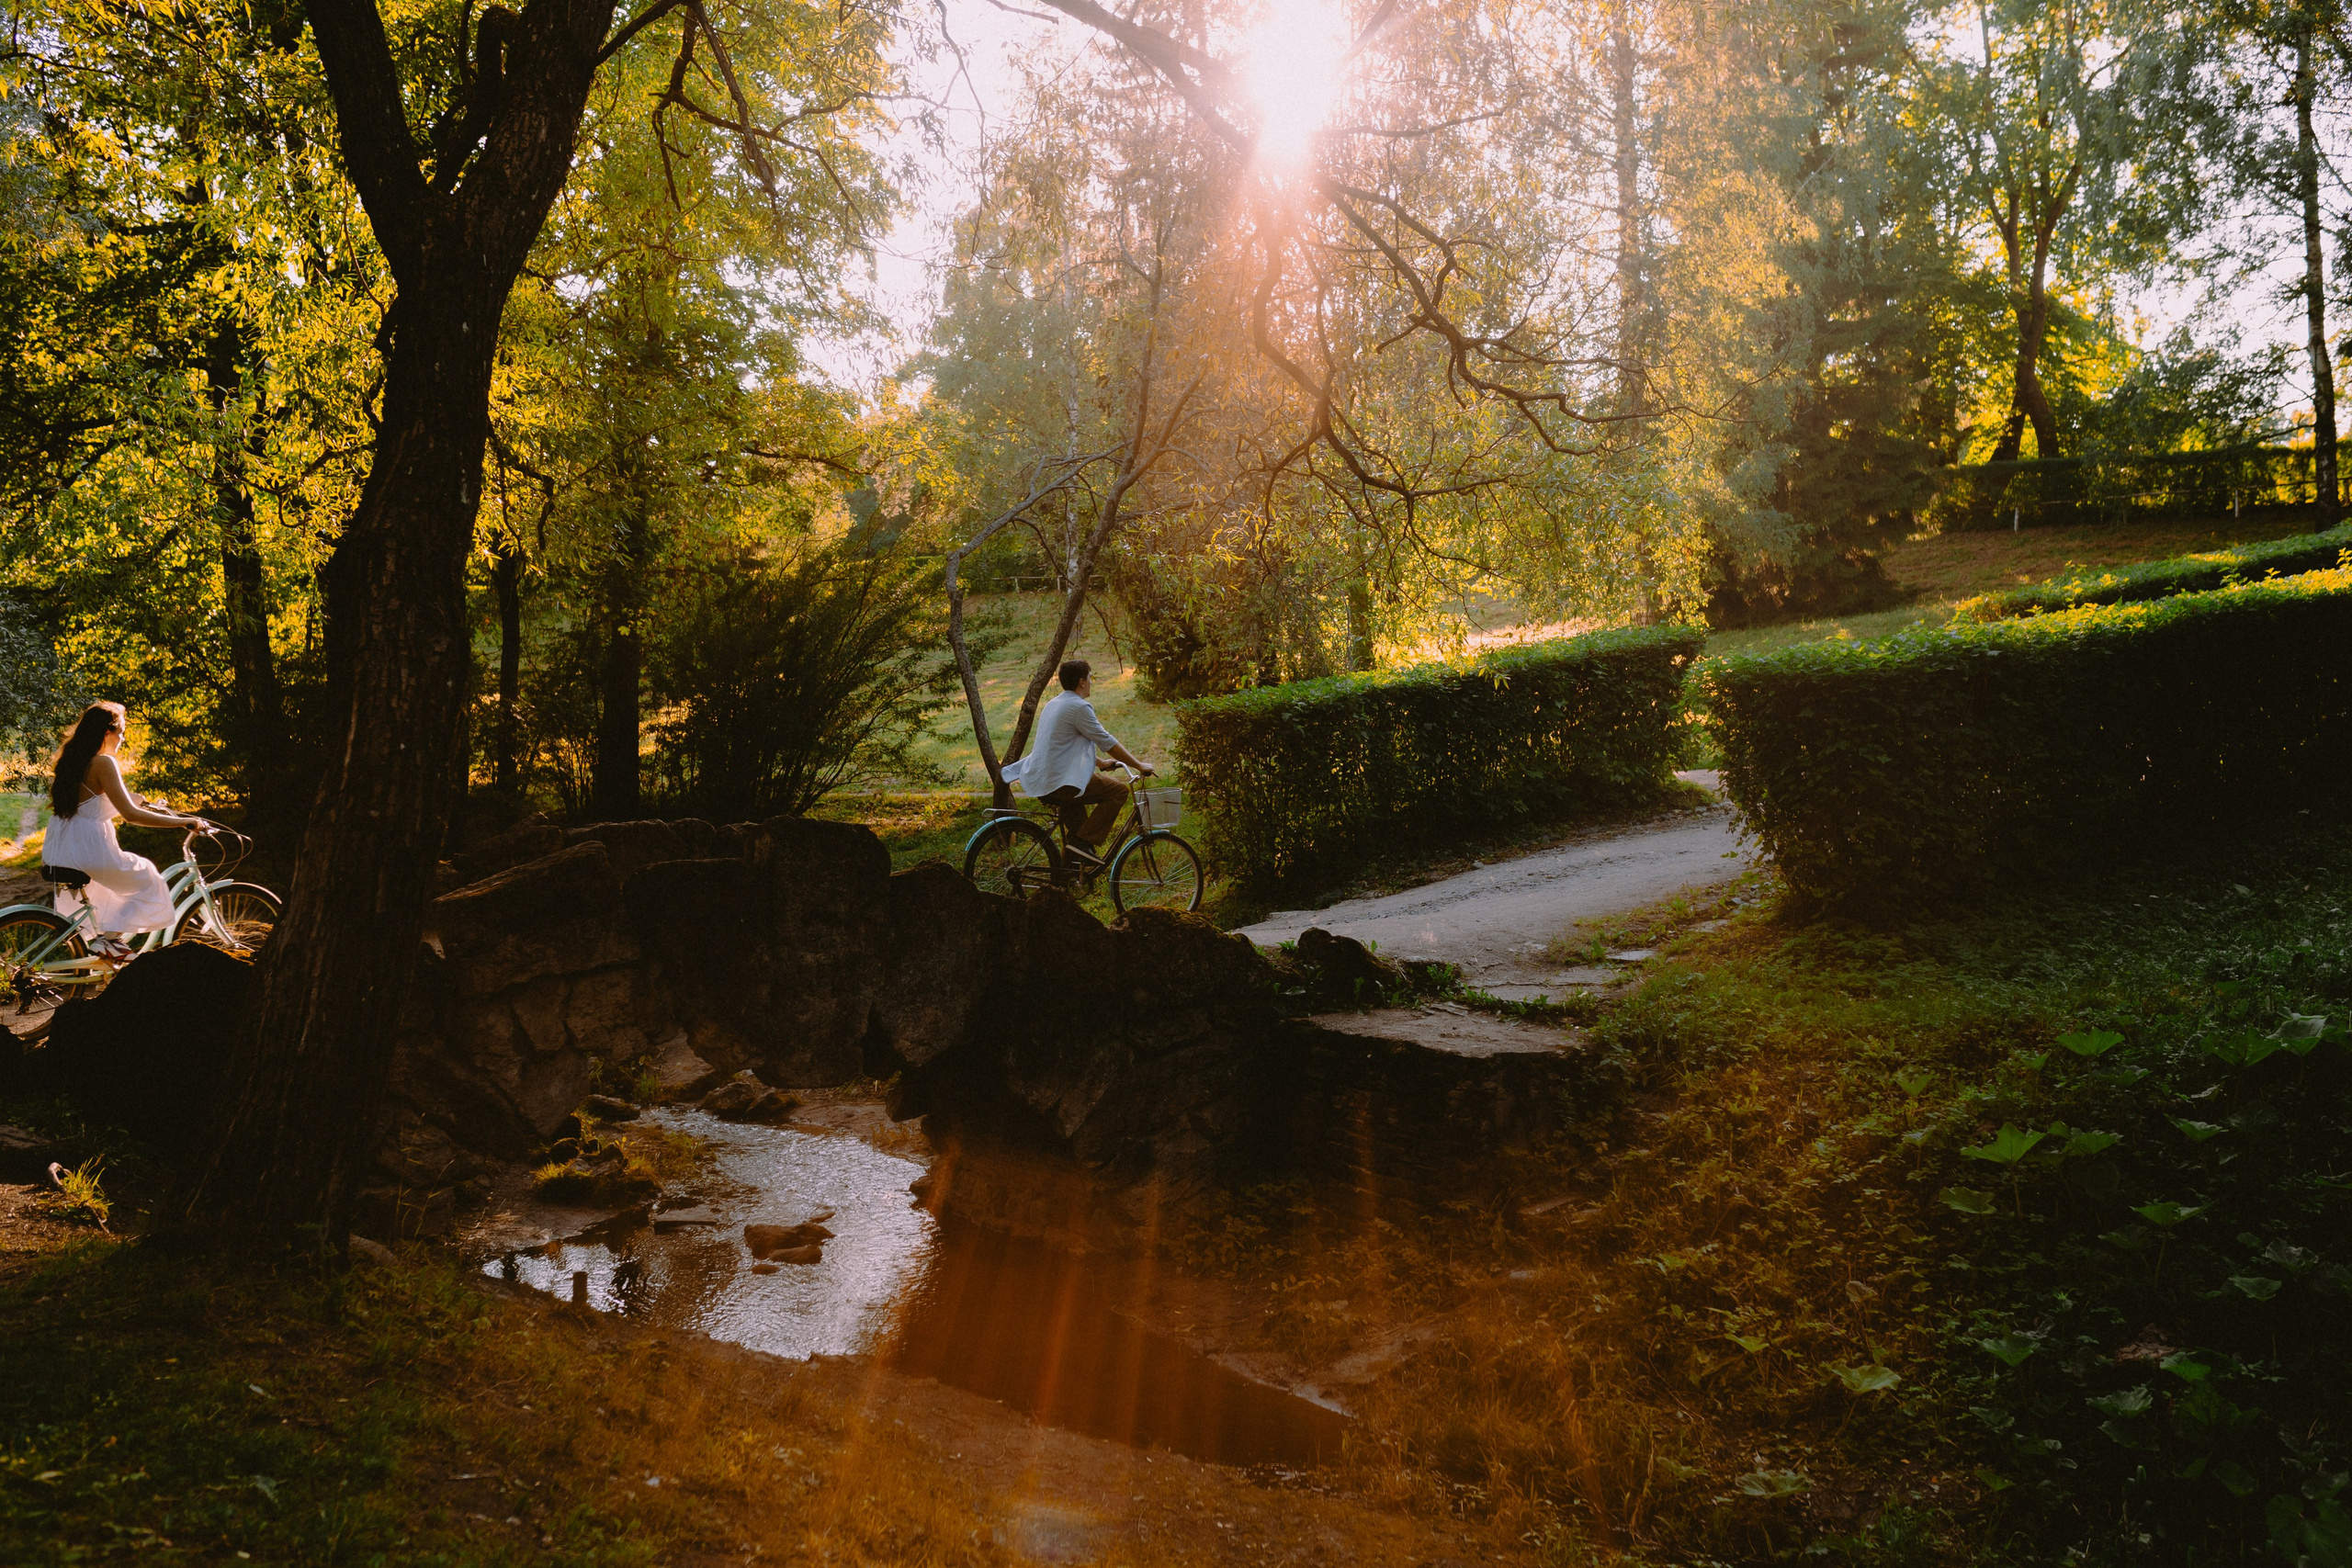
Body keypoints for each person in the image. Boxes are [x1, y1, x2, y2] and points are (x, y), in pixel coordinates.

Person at [42, 702, 208, 959]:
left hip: (60, 846)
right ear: (106, 733)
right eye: (121, 732)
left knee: (111, 889)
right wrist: (183, 821)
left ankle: (102, 945)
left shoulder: (73, 761)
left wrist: (131, 798)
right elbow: (131, 816)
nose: (123, 738)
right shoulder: (103, 763)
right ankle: (109, 942)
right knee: (147, 877)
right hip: (87, 849)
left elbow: (89, 802)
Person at [1000, 660, 1155, 866]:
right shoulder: (1078, 707)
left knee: (1078, 834)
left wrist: (1099, 763)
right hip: (1060, 782)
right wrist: (1139, 765)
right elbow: (1106, 741)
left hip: (1046, 779)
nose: (1092, 682)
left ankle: (1063, 882)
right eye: (1091, 677)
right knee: (1118, 792)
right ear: (1082, 681)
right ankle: (1083, 844)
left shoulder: (1055, 703)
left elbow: (1064, 744)